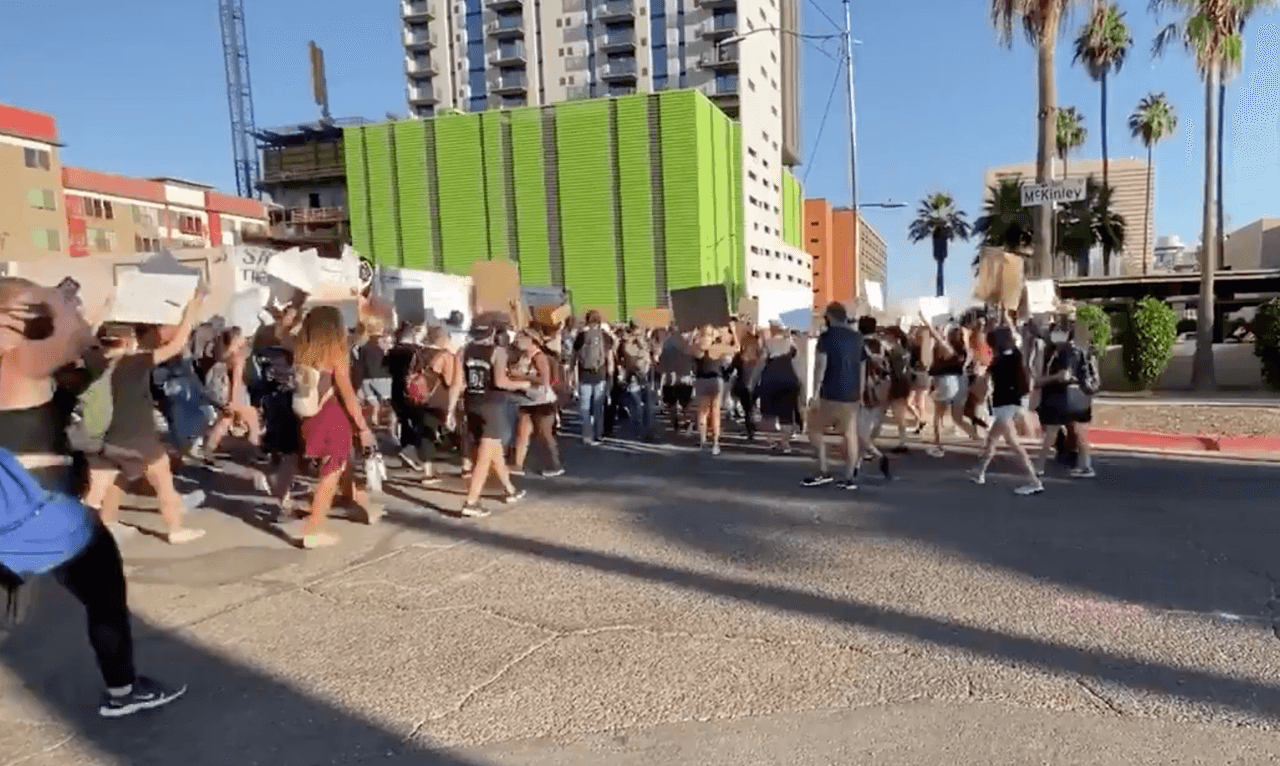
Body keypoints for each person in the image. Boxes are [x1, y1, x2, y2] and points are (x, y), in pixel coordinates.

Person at [0, 276, 186, 717]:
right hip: (47, 512)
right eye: (55, 307)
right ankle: (123, 691)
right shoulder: (26, 371)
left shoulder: (48, 383)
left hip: (27, 504)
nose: (73, 310)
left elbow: (77, 394)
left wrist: (105, 450)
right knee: (105, 599)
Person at [83, 289, 209, 545]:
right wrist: (191, 309)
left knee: (102, 489)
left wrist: (102, 311)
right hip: (139, 437)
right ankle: (175, 530)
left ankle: (92, 528)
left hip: (106, 439)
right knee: (163, 481)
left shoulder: (95, 361)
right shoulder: (137, 362)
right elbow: (176, 345)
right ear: (125, 342)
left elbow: (85, 338)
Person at [292, 306, 378, 548]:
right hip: (332, 416)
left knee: (341, 464)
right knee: (333, 470)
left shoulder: (302, 351)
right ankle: (314, 528)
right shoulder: (335, 353)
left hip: (311, 416)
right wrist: (363, 427)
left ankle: (358, 503)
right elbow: (347, 392)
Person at [460, 314, 531, 516]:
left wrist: (452, 409)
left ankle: (510, 490)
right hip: (491, 405)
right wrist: (524, 384)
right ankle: (471, 502)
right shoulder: (497, 352)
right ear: (492, 332)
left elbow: (460, 382)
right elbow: (501, 382)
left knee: (494, 451)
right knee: (485, 455)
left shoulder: (464, 351)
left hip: (471, 402)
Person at [970, 326, 1044, 495]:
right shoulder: (1016, 355)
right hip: (1014, 403)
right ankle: (979, 471)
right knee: (992, 440)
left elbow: (984, 384)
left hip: (1004, 405)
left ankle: (1034, 480)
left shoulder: (997, 361)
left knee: (1014, 445)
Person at [803, 302, 866, 489]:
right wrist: (861, 392)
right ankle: (849, 476)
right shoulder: (857, 338)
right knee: (850, 435)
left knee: (814, 429)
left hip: (830, 391)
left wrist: (814, 393)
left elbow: (820, 366)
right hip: (852, 393)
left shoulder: (826, 337)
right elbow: (863, 366)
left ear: (829, 317)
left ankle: (823, 469)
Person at [1035, 319, 1097, 479]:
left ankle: (1039, 466)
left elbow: (1064, 376)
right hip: (1077, 397)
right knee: (1077, 432)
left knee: (1053, 432)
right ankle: (1086, 465)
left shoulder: (1063, 352)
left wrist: (1055, 377)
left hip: (1062, 397)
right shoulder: (1075, 350)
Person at [920, 313, 979, 458]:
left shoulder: (948, 349)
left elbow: (936, 337)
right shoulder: (967, 352)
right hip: (961, 383)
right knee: (957, 418)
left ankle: (938, 444)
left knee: (938, 415)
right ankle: (977, 439)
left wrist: (925, 320)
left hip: (947, 382)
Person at [509, 328, 564, 477]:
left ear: (532, 341)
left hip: (542, 401)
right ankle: (518, 464)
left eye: (522, 338)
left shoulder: (539, 357)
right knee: (522, 433)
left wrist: (521, 376)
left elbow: (544, 380)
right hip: (525, 399)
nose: (519, 340)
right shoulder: (522, 356)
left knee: (544, 434)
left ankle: (554, 465)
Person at [203, 327, 261, 456]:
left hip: (218, 400)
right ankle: (255, 449)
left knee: (226, 420)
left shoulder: (222, 362)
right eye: (240, 346)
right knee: (251, 414)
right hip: (224, 400)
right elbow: (236, 385)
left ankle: (209, 449)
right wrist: (235, 406)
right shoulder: (235, 362)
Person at [756, 322, 801, 453]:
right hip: (789, 378)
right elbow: (796, 355)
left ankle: (771, 440)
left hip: (771, 378)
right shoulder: (789, 343)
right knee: (787, 414)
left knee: (768, 413)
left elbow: (761, 360)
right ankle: (785, 443)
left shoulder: (768, 343)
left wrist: (756, 380)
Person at [572, 310, 614, 445]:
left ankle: (586, 436)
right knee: (598, 407)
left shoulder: (581, 336)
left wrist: (572, 376)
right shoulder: (605, 337)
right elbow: (610, 359)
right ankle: (598, 434)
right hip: (600, 375)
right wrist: (610, 376)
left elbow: (574, 358)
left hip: (584, 375)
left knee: (585, 407)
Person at [355, 320, 394, 435]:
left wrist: (358, 387)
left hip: (368, 381)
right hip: (385, 381)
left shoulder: (363, 348)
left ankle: (373, 423)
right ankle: (390, 430)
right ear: (381, 330)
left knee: (373, 405)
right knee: (388, 409)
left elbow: (360, 368)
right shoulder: (385, 346)